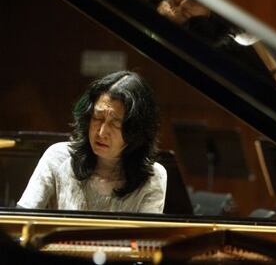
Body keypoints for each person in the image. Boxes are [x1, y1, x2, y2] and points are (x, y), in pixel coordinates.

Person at [17, 70, 167, 213]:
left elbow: (146, 239)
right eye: (98, 118)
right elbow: (21, 221)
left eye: (115, 124)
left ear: (136, 131)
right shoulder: (57, 158)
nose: (101, 133)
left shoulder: (153, 177)